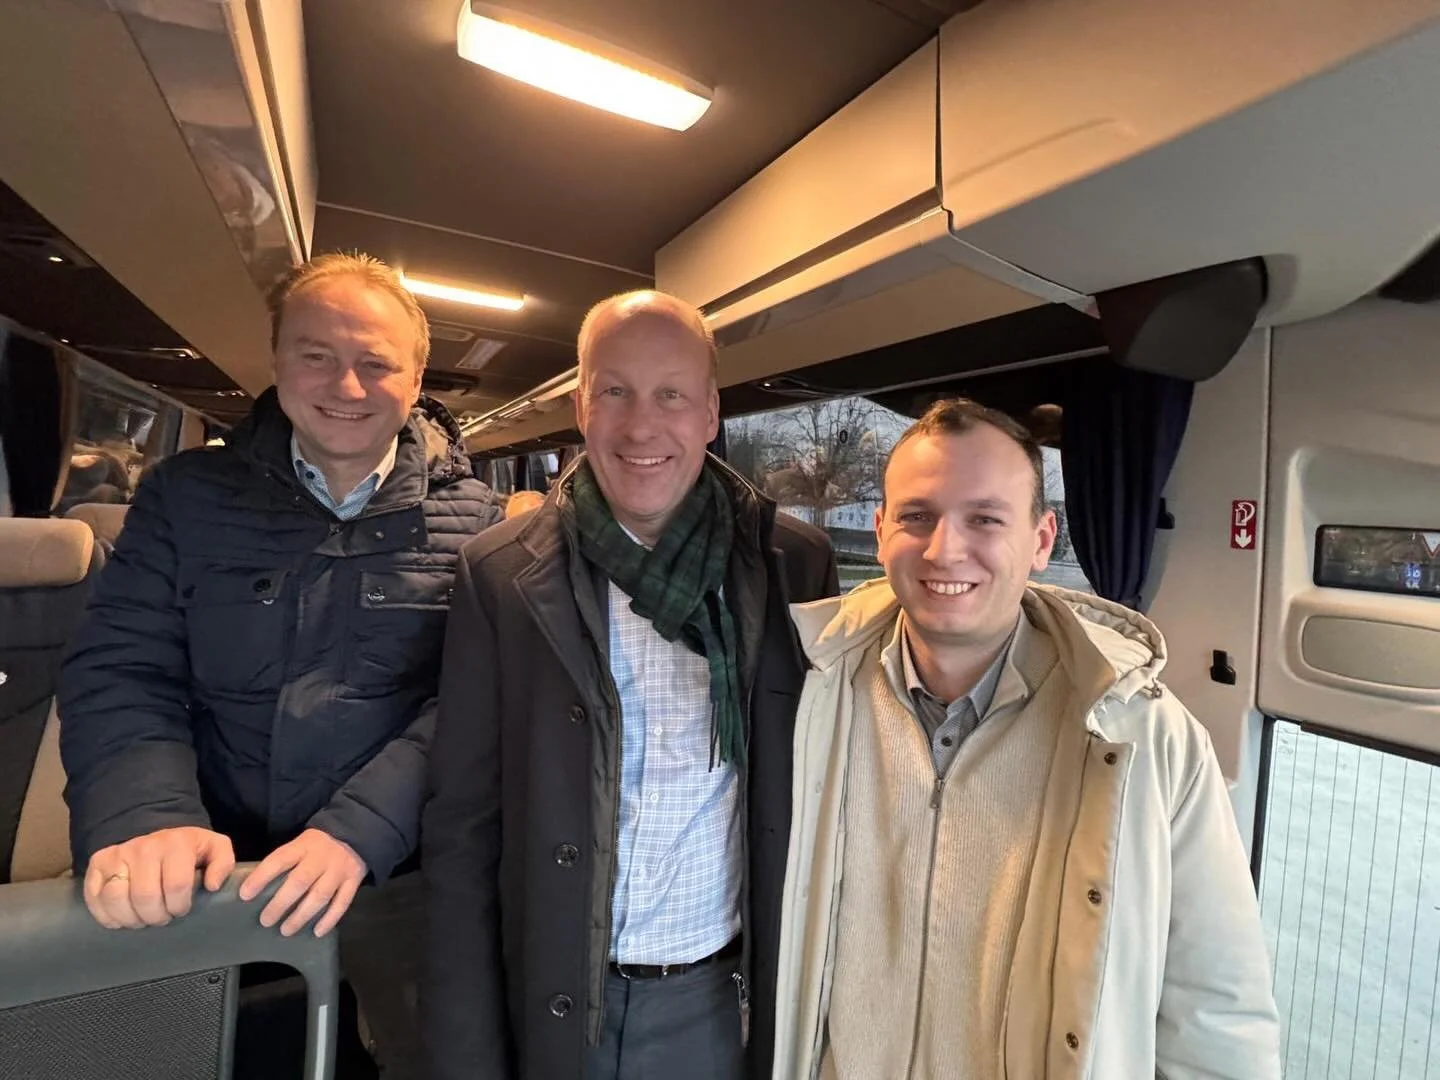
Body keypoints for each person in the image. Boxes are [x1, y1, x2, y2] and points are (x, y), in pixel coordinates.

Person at [58, 251, 501, 1079]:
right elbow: (122, 670)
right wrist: (146, 815)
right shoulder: (184, 498)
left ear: (414, 380)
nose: (348, 384)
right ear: (277, 360)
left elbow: (474, 703)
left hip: (395, 878)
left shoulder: (478, 523)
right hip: (210, 867)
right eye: (317, 356)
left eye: (377, 363)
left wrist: (360, 832)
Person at [771, 397, 1281, 1080]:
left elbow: (1217, 1018)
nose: (945, 547)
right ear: (881, 527)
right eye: (917, 516)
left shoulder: (1145, 739)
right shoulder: (807, 698)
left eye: (985, 518)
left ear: (1043, 541)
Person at [423, 290, 839, 1080]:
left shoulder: (792, 565)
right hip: (552, 997)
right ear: (582, 405)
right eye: (614, 391)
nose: (641, 426)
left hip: (723, 1004)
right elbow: (462, 833)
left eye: (671, 395)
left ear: (711, 413)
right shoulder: (501, 575)